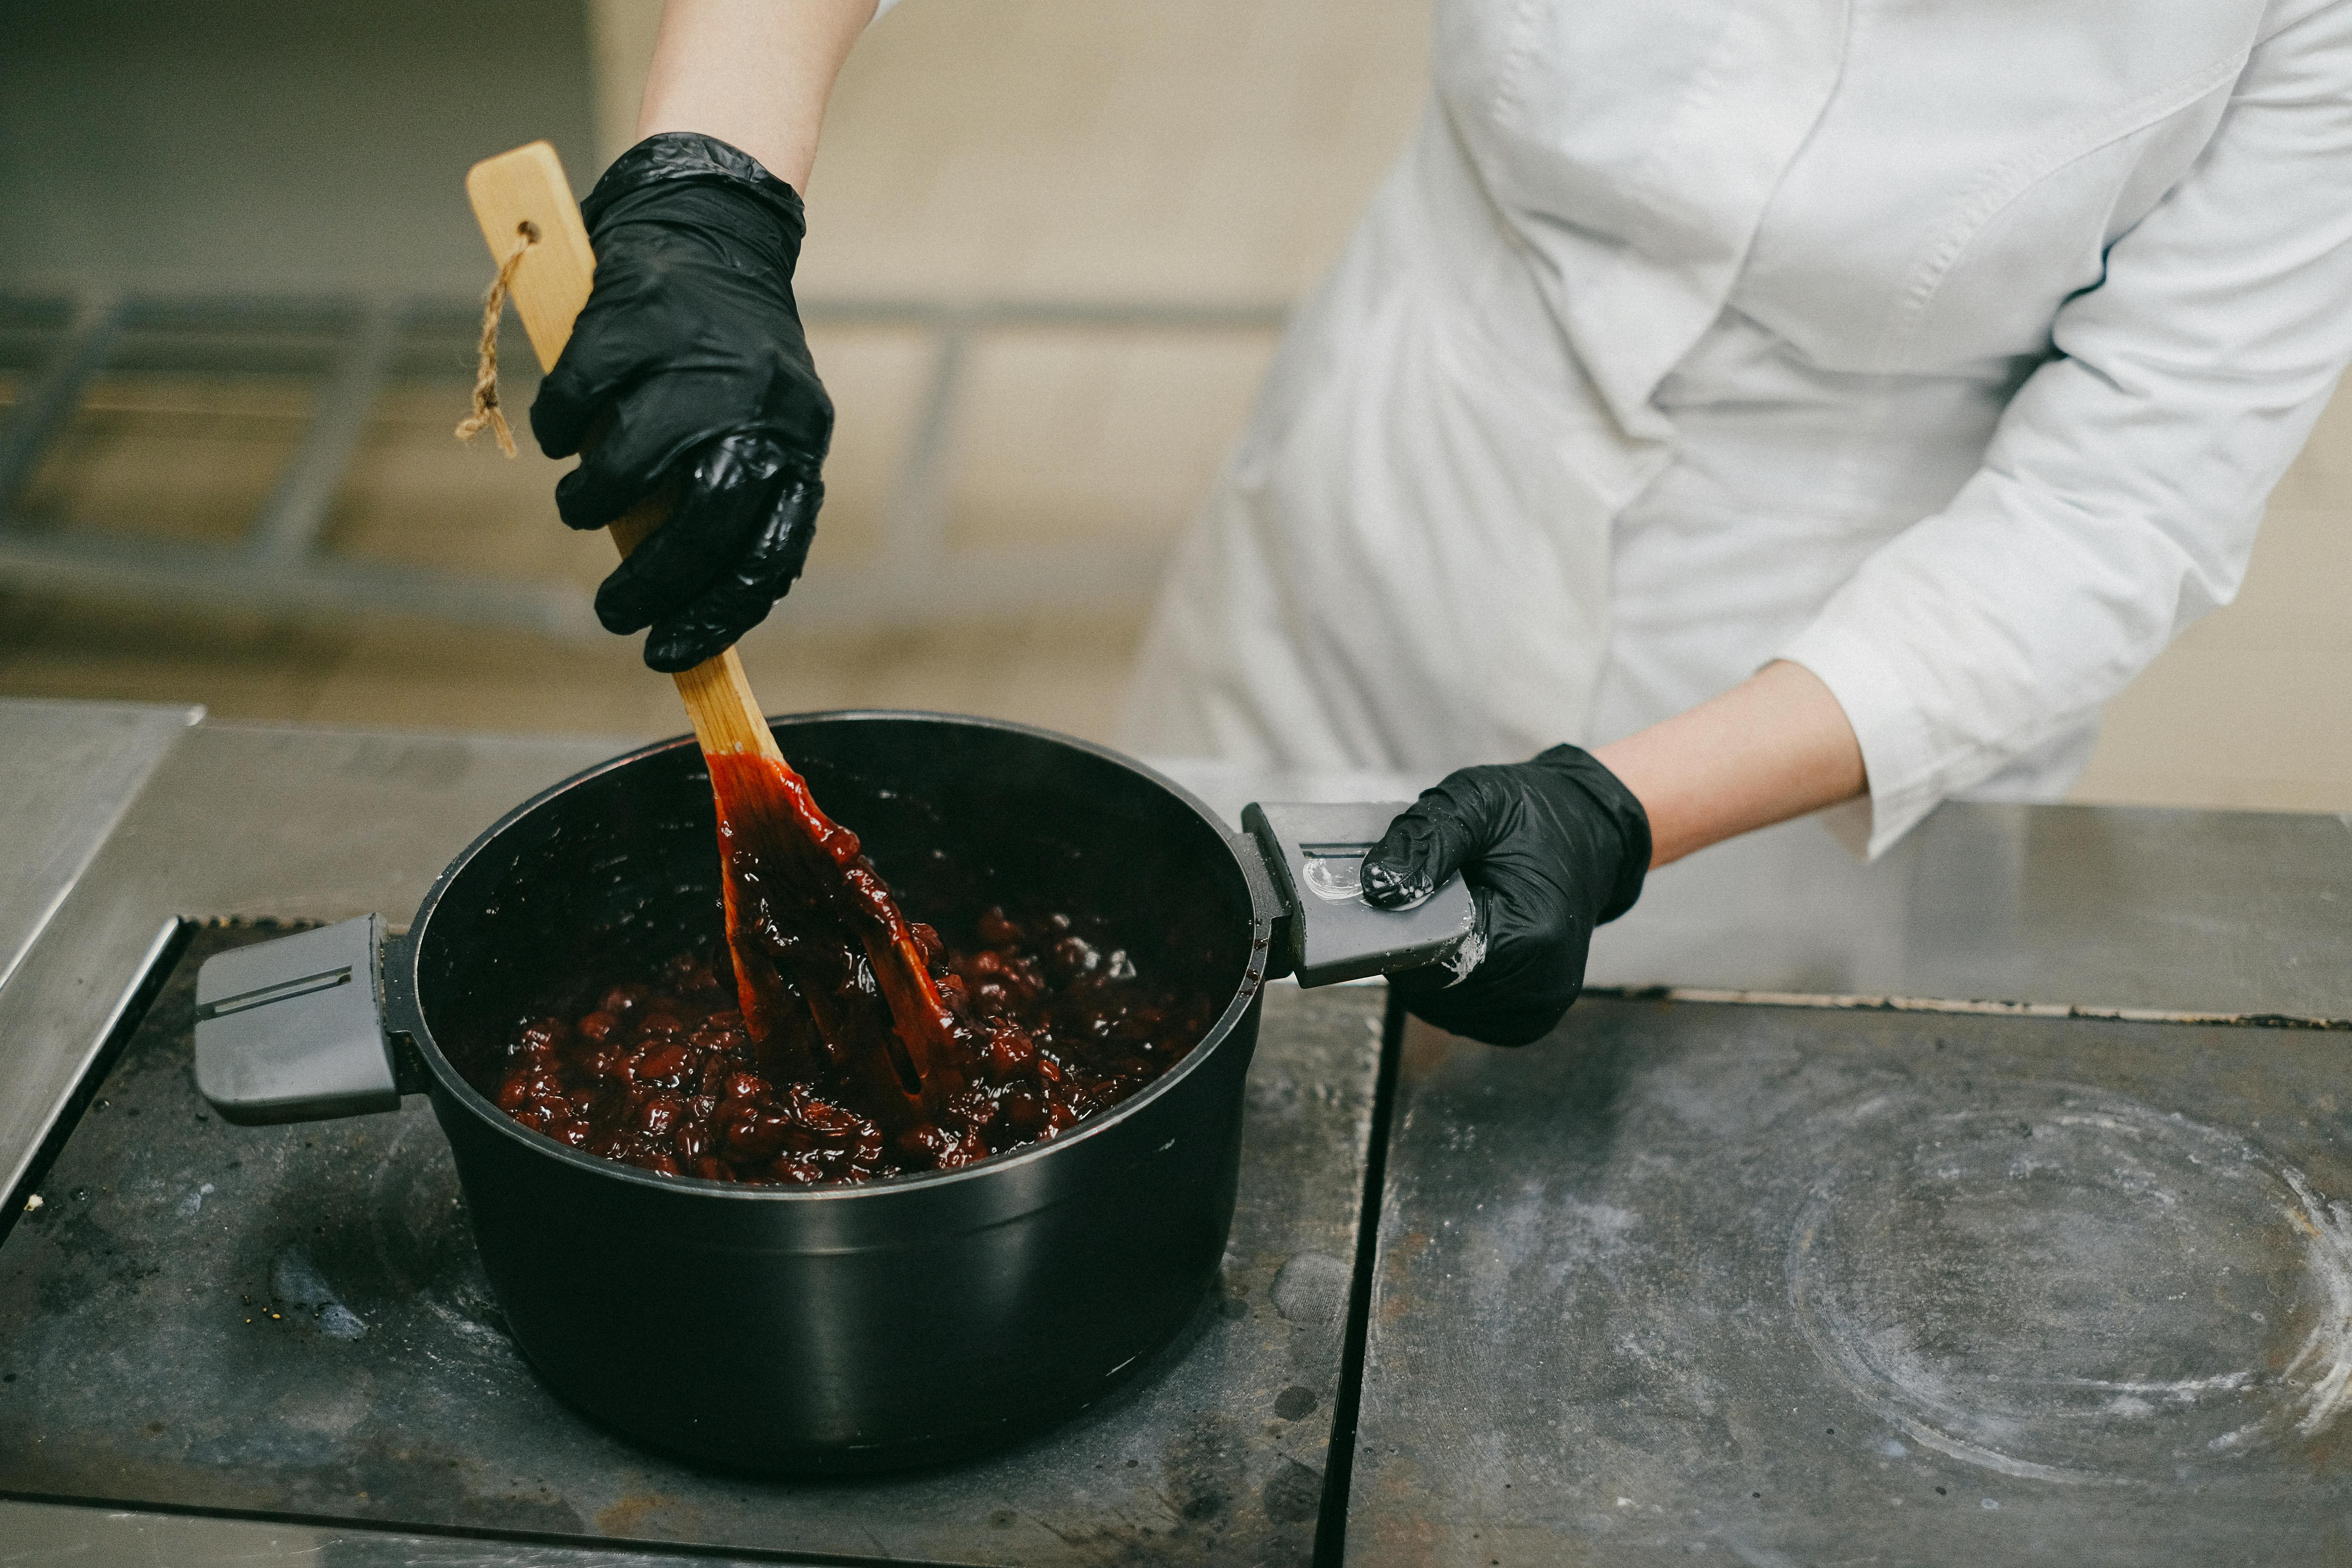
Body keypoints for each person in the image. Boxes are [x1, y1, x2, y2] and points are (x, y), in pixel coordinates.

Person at [532, 0, 2352, 1047]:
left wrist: (1623, 807)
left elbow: (2127, 500)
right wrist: (711, 192)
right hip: (1390, 502)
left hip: (1800, 719)